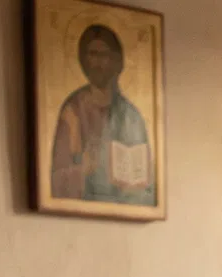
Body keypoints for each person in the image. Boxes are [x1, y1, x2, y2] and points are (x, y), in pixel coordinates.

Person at [49, 24, 156, 206]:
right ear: (84, 59)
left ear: (116, 61)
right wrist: (83, 169)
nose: (98, 63)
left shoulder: (131, 116)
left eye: (104, 55)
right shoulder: (73, 111)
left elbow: (148, 186)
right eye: (92, 54)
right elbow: (55, 179)